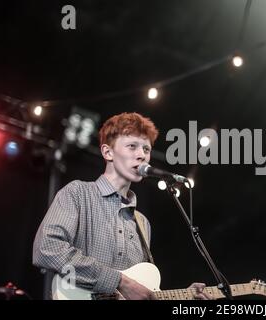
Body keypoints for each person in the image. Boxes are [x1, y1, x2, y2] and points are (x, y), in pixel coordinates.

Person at [33, 112, 210, 300]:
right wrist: (119, 281)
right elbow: (46, 249)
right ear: (107, 152)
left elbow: (137, 291)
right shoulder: (78, 193)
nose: (141, 155)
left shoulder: (142, 223)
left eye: (146, 149)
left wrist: (185, 298)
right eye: (132, 146)